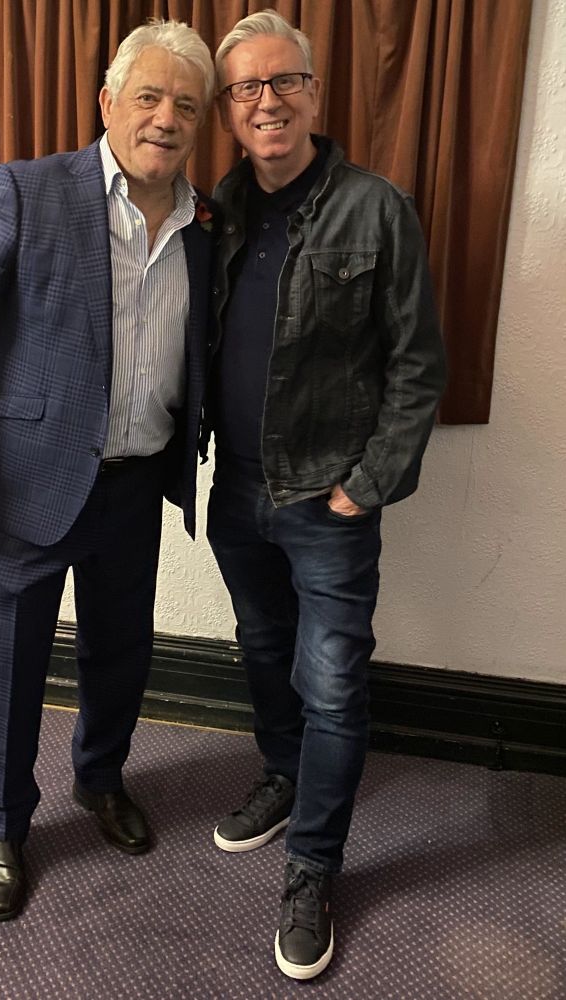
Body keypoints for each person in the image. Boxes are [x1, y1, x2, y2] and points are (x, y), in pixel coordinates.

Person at [0, 19, 216, 922]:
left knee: (122, 654)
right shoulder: (28, 192)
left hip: (137, 484)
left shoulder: (203, 221)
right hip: (26, 480)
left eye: (186, 104)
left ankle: (100, 781)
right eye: (148, 96)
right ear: (107, 103)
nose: (166, 118)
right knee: (14, 663)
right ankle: (3, 825)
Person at [203, 10, 447, 981]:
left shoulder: (374, 207)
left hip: (328, 500)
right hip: (238, 492)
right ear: (227, 108)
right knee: (262, 650)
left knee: (336, 680)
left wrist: (366, 487)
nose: (267, 101)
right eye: (246, 88)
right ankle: (280, 772)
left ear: (314, 92)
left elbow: (418, 365)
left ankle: (314, 864)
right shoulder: (216, 209)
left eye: (283, 82)